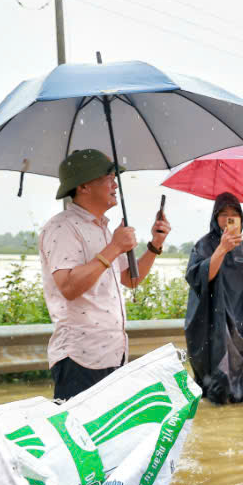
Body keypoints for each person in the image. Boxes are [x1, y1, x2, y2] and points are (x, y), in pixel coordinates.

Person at [39, 149, 171, 401]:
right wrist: (113, 248)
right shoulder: (61, 227)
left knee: (110, 439)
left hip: (113, 354)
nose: (115, 185)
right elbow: (67, 286)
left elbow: (130, 279)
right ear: (84, 186)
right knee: (83, 437)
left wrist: (155, 244)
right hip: (80, 358)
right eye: (108, 178)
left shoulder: (105, 228)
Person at [184, 192, 243, 404]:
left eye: (234, 214)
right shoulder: (204, 246)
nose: (228, 219)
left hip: (241, 330)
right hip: (213, 326)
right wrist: (222, 249)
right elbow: (200, 278)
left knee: (240, 393)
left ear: (241, 219)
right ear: (215, 218)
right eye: (223, 214)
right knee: (216, 389)